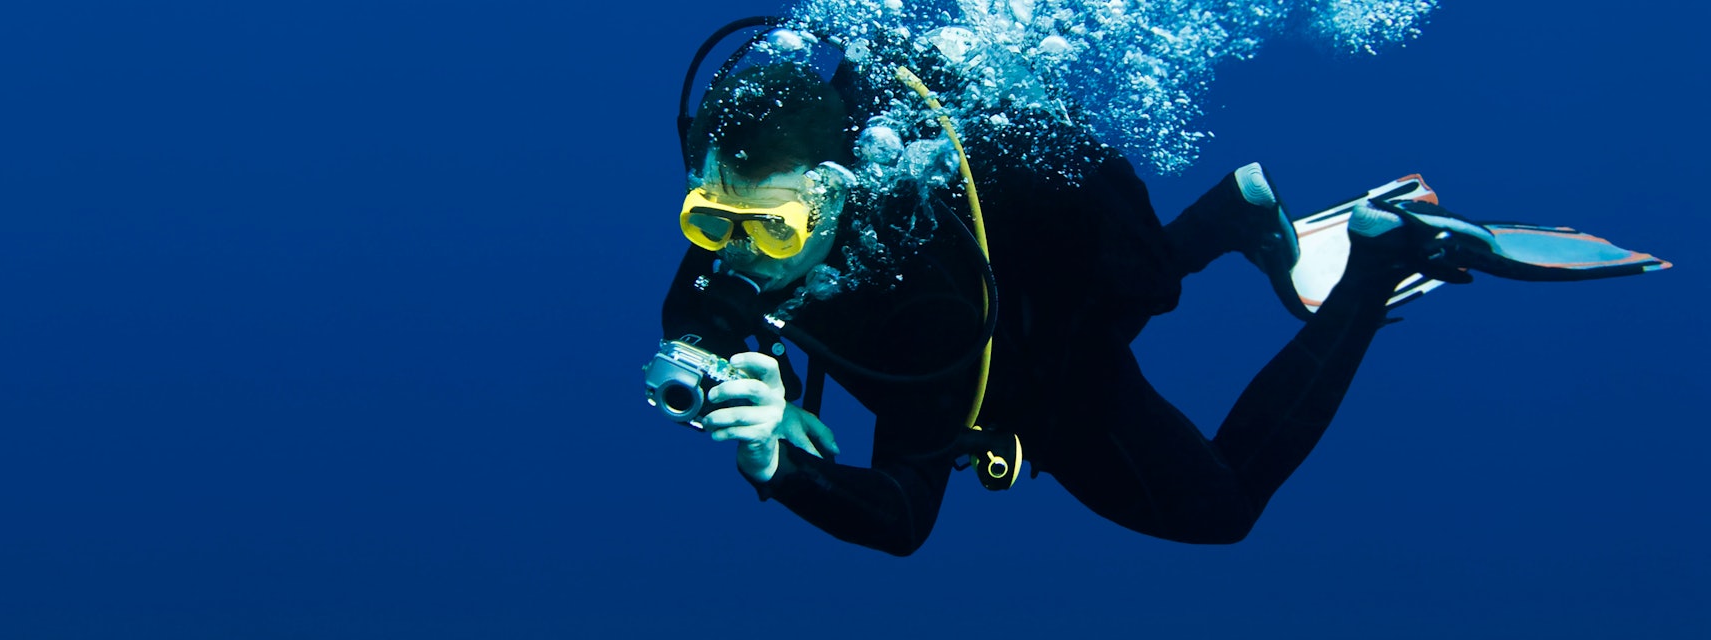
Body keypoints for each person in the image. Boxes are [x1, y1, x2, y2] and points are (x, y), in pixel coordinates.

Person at [649, 25, 1669, 556]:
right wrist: (762, 416)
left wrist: (775, 468)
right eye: (711, 220)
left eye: (773, 226)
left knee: (1216, 509)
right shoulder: (721, 256)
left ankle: (1378, 262)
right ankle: (1229, 216)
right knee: (1124, 292)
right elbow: (709, 311)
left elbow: (905, 516)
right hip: (1063, 254)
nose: (740, 257)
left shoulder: (926, 311)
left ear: (834, 193)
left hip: (1044, 318)